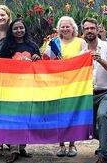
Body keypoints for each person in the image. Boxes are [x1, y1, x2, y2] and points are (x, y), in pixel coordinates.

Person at [42, 16, 86, 157]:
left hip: (75, 85)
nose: (65, 28)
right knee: (59, 115)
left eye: (68, 26)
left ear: (73, 28)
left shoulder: (81, 42)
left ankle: (72, 145)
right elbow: (46, 62)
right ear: (58, 28)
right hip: (57, 85)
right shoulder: (53, 43)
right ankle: (61, 145)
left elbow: (85, 61)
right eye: (62, 26)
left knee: (72, 113)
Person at [0, 19, 40, 163]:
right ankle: (14, 150)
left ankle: (22, 147)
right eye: (15, 29)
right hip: (12, 87)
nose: (19, 31)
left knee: (26, 118)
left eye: (21, 28)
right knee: (14, 118)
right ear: (11, 30)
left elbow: (39, 65)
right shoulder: (6, 46)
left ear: (25, 29)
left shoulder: (33, 45)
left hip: (29, 87)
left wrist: (37, 58)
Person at [82, 18, 107, 163]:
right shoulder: (82, 53)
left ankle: (104, 155)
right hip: (89, 93)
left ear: (97, 30)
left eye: (92, 28)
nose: (89, 31)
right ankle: (105, 139)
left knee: (102, 115)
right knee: (86, 126)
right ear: (83, 32)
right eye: (86, 29)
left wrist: (100, 60)